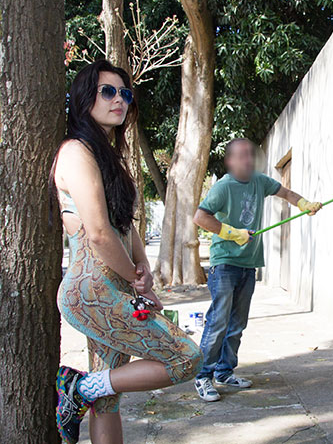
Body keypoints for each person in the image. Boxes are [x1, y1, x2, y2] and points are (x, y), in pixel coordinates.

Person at [53, 60, 203, 444]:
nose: (119, 99)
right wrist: (135, 282)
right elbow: (100, 235)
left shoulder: (106, 155)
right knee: (187, 358)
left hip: (111, 289)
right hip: (91, 291)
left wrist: (143, 267)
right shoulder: (75, 151)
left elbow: (123, 224)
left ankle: (89, 389)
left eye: (125, 93)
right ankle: (78, 388)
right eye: (108, 91)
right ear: (85, 98)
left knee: (109, 399)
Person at [192, 138, 322, 401]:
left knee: (237, 324)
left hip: (248, 263)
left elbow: (285, 193)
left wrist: (304, 203)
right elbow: (201, 217)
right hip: (225, 263)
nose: (248, 160)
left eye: (250, 155)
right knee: (218, 321)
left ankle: (225, 372)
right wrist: (230, 232)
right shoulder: (223, 187)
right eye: (241, 156)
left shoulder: (260, 181)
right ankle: (203, 376)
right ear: (230, 161)